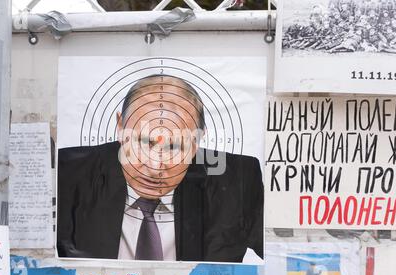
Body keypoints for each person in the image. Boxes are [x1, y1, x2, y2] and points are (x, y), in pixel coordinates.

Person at [57, 74, 264, 263]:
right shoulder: (67, 175)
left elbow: (287, 253)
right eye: (144, 142)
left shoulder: (239, 182)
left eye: (174, 146)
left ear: (196, 143)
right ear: (120, 128)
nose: (155, 166)